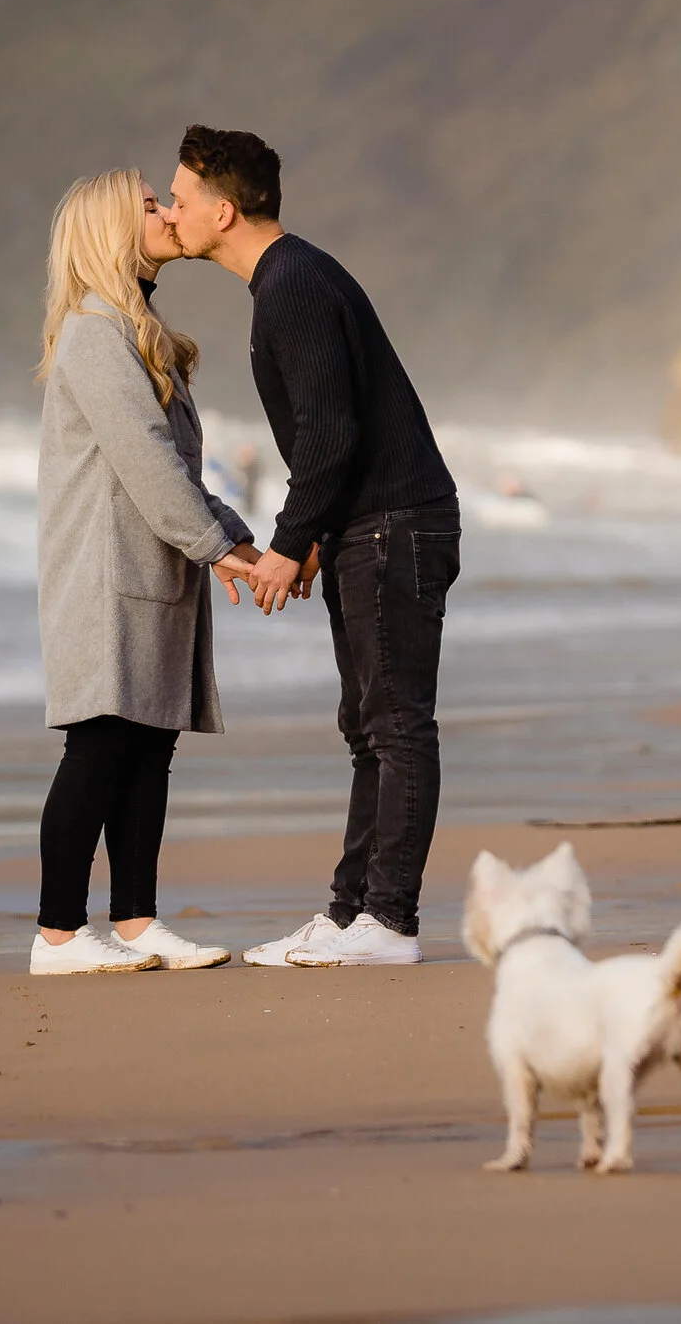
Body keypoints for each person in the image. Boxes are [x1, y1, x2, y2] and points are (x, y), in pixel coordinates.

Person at [162, 125, 460, 968]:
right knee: (367, 724)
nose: (170, 213)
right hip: (375, 522)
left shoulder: (290, 284)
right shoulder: (289, 280)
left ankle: (389, 921)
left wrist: (291, 543)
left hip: (395, 523)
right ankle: (347, 914)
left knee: (396, 724)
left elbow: (331, 435)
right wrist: (321, 533)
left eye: (180, 200)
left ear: (223, 212)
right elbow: (337, 435)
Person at [31, 167, 263, 976]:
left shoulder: (136, 330)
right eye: (152, 205)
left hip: (151, 574)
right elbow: (149, 464)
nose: (169, 214)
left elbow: (179, 473)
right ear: (108, 231)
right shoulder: (96, 333)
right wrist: (225, 549)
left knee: (147, 750)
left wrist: (238, 538)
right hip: (104, 577)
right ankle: (57, 934)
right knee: (98, 747)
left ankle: (136, 920)